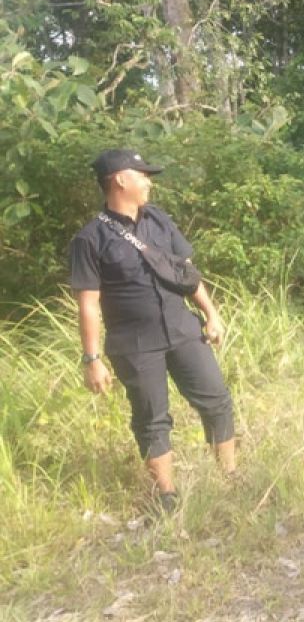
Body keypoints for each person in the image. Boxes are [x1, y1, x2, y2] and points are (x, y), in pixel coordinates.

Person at [69, 149, 236, 514]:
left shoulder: (159, 221)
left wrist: (211, 314)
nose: (148, 181)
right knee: (151, 418)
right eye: (142, 174)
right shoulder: (90, 239)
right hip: (135, 344)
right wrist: (92, 359)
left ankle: (229, 477)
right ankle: (167, 497)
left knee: (217, 399)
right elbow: (88, 304)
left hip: (182, 329)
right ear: (120, 180)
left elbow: (186, 272)